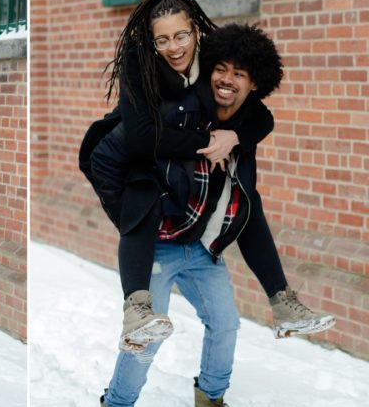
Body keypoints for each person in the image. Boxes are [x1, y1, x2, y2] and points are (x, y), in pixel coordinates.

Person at [97, 24, 334, 406]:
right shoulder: (183, 112)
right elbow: (108, 154)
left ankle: (211, 397)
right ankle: (118, 402)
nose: (226, 80)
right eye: (220, 69)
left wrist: (236, 137)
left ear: (254, 84)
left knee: (226, 325)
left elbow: (262, 121)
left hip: (205, 251)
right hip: (158, 246)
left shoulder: (247, 123)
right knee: (145, 338)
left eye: (239, 74)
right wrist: (129, 214)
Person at [80, 0, 276, 351]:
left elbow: (262, 115)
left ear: (195, 33)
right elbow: (141, 136)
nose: (174, 47)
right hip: (115, 160)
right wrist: (209, 143)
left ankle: (280, 295)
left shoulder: (212, 60)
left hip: (161, 157)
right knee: (142, 204)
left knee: (243, 196)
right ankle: (136, 308)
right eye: (163, 39)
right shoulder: (140, 64)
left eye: (181, 35)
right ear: (153, 42)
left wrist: (232, 136)